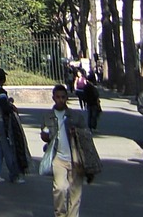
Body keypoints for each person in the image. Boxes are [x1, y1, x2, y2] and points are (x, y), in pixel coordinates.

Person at [41, 83, 90, 217]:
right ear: (53, 98)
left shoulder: (76, 116)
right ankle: (60, 214)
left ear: (66, 98)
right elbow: (45, 135)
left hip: (76, 157)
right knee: (60, 188)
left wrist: (77, 131)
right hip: (58, 157)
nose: (60, 100)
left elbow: (87, 133)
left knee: (75, 193)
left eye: (63, 97)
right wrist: (44, 136)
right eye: (58, 97)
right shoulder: (47, 116)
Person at [0, 68, 25, 184]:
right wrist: (11, 105)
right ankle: (14, 174)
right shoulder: (1, 93)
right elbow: (4, 107)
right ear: (3, 78)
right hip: (1, 121)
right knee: (7, 148)